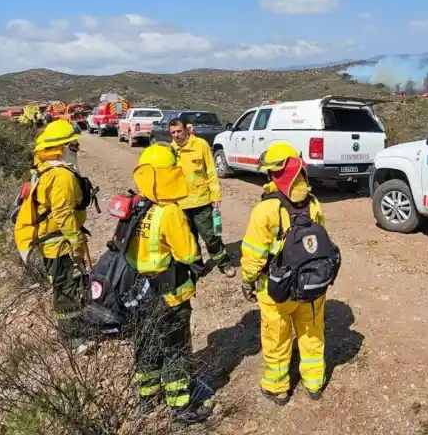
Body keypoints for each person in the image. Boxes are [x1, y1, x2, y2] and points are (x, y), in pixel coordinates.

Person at [128, 143, 214, 424]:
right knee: (175, 347)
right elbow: (188, 253)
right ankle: (181, 407)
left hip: (137, 292)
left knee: (145, 344)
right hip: (169, 294)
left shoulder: (136, 204)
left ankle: (147, 397)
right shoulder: (170, 212)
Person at [239, 141, 328, 405]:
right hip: (311, 285)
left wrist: (248, 279)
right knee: (312, 333)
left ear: (274, 174)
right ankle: (314, 383)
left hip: (275, 289)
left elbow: (254, 253)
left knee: (276, 338)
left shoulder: (266, 209)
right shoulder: (313, 203)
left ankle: (277, 388)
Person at [13, 119, 93, 351]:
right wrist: (76, 244)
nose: (76, 149)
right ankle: (74, 339)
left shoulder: (45, 169)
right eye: (73, 145)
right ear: (62, 148)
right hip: (60, 243)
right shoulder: (61, 176)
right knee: (67, 288)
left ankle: (71, 330)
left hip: (53, 241)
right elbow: (63, 214)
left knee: (64, 287)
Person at [168, 117, 236, 277]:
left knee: (211, 236)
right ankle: (197, 268)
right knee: (189, 239)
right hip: (180, 204)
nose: (176, 135)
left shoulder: (200, 145)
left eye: (179, 131)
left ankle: (224, 263)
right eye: (173, 133)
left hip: (202, 201)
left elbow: (211, 171)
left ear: (186, 130)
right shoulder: (170, 151)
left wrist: (216, 194)